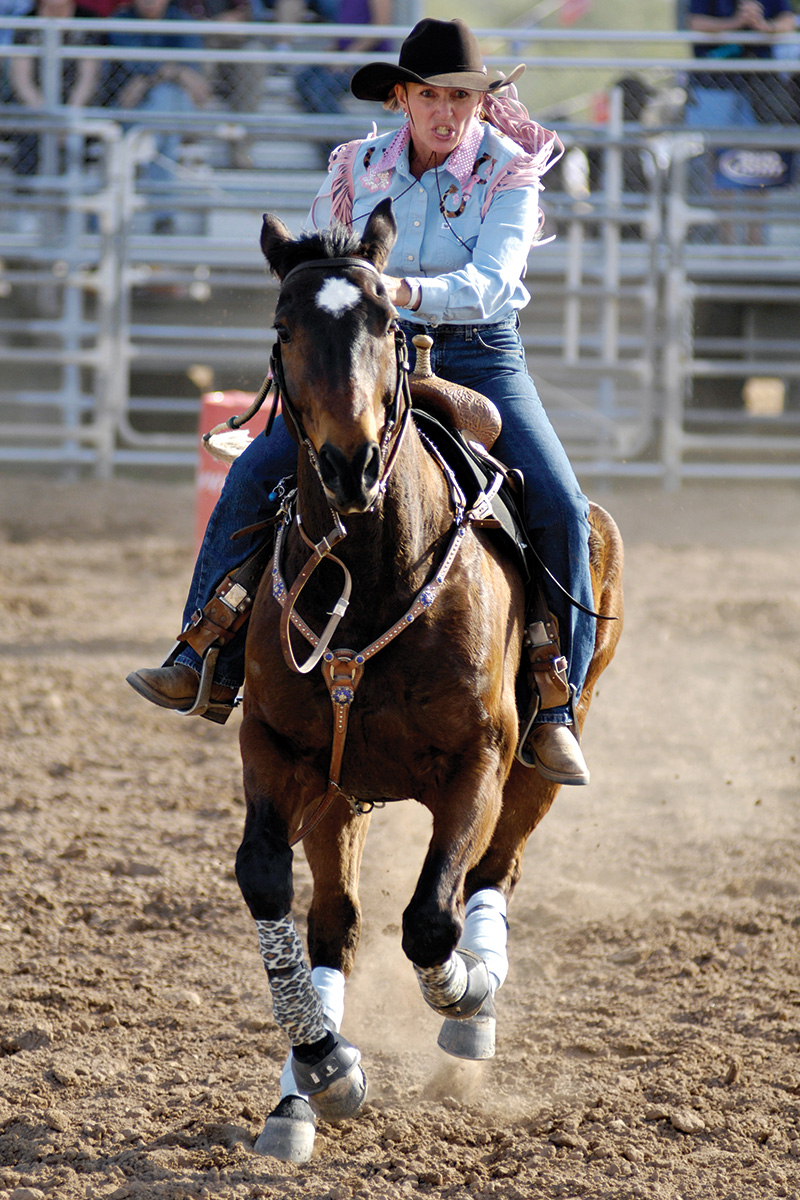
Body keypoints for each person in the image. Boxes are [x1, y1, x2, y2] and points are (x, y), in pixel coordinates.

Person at [128, 17, 597, 786]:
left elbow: (494, 281)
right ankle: (201, 650)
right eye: (430, 97)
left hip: (477, 354)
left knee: (560, 504)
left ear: (480, 106)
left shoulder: (510, 170)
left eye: (462, 99)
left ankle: (553, 706)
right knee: (256, 473)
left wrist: (395, 289)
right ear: (402, 98)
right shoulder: (355, 164)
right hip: (363, 357)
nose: (447, 113)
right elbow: (321, 271)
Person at [105, 0, 212, 230]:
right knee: (167, 121)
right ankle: (163, 217)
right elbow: (126, 93)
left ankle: (147, 141)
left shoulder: (182, 22)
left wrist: (152, 77)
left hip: (174, 111)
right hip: (134, 111)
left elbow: (200, 90)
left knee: (168, 96)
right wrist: (173, 71)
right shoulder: (120, 22)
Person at [9, 0, 101, 174]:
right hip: (35, 104)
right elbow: (21, 79)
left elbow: (88, 78)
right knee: (28, 133)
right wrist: (46, 115)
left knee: (79, 131)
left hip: (76, 102)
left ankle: (75, 195)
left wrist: (68, 117)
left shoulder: (87, 19)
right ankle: (26, 194)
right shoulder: (26, 21)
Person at [686, 0, 796, 127]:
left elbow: (788, 21)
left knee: (764, 139)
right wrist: (736, 22)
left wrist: (765, 26)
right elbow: (695, 22)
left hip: (760, 82)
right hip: (714, 81)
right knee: (712, 139)